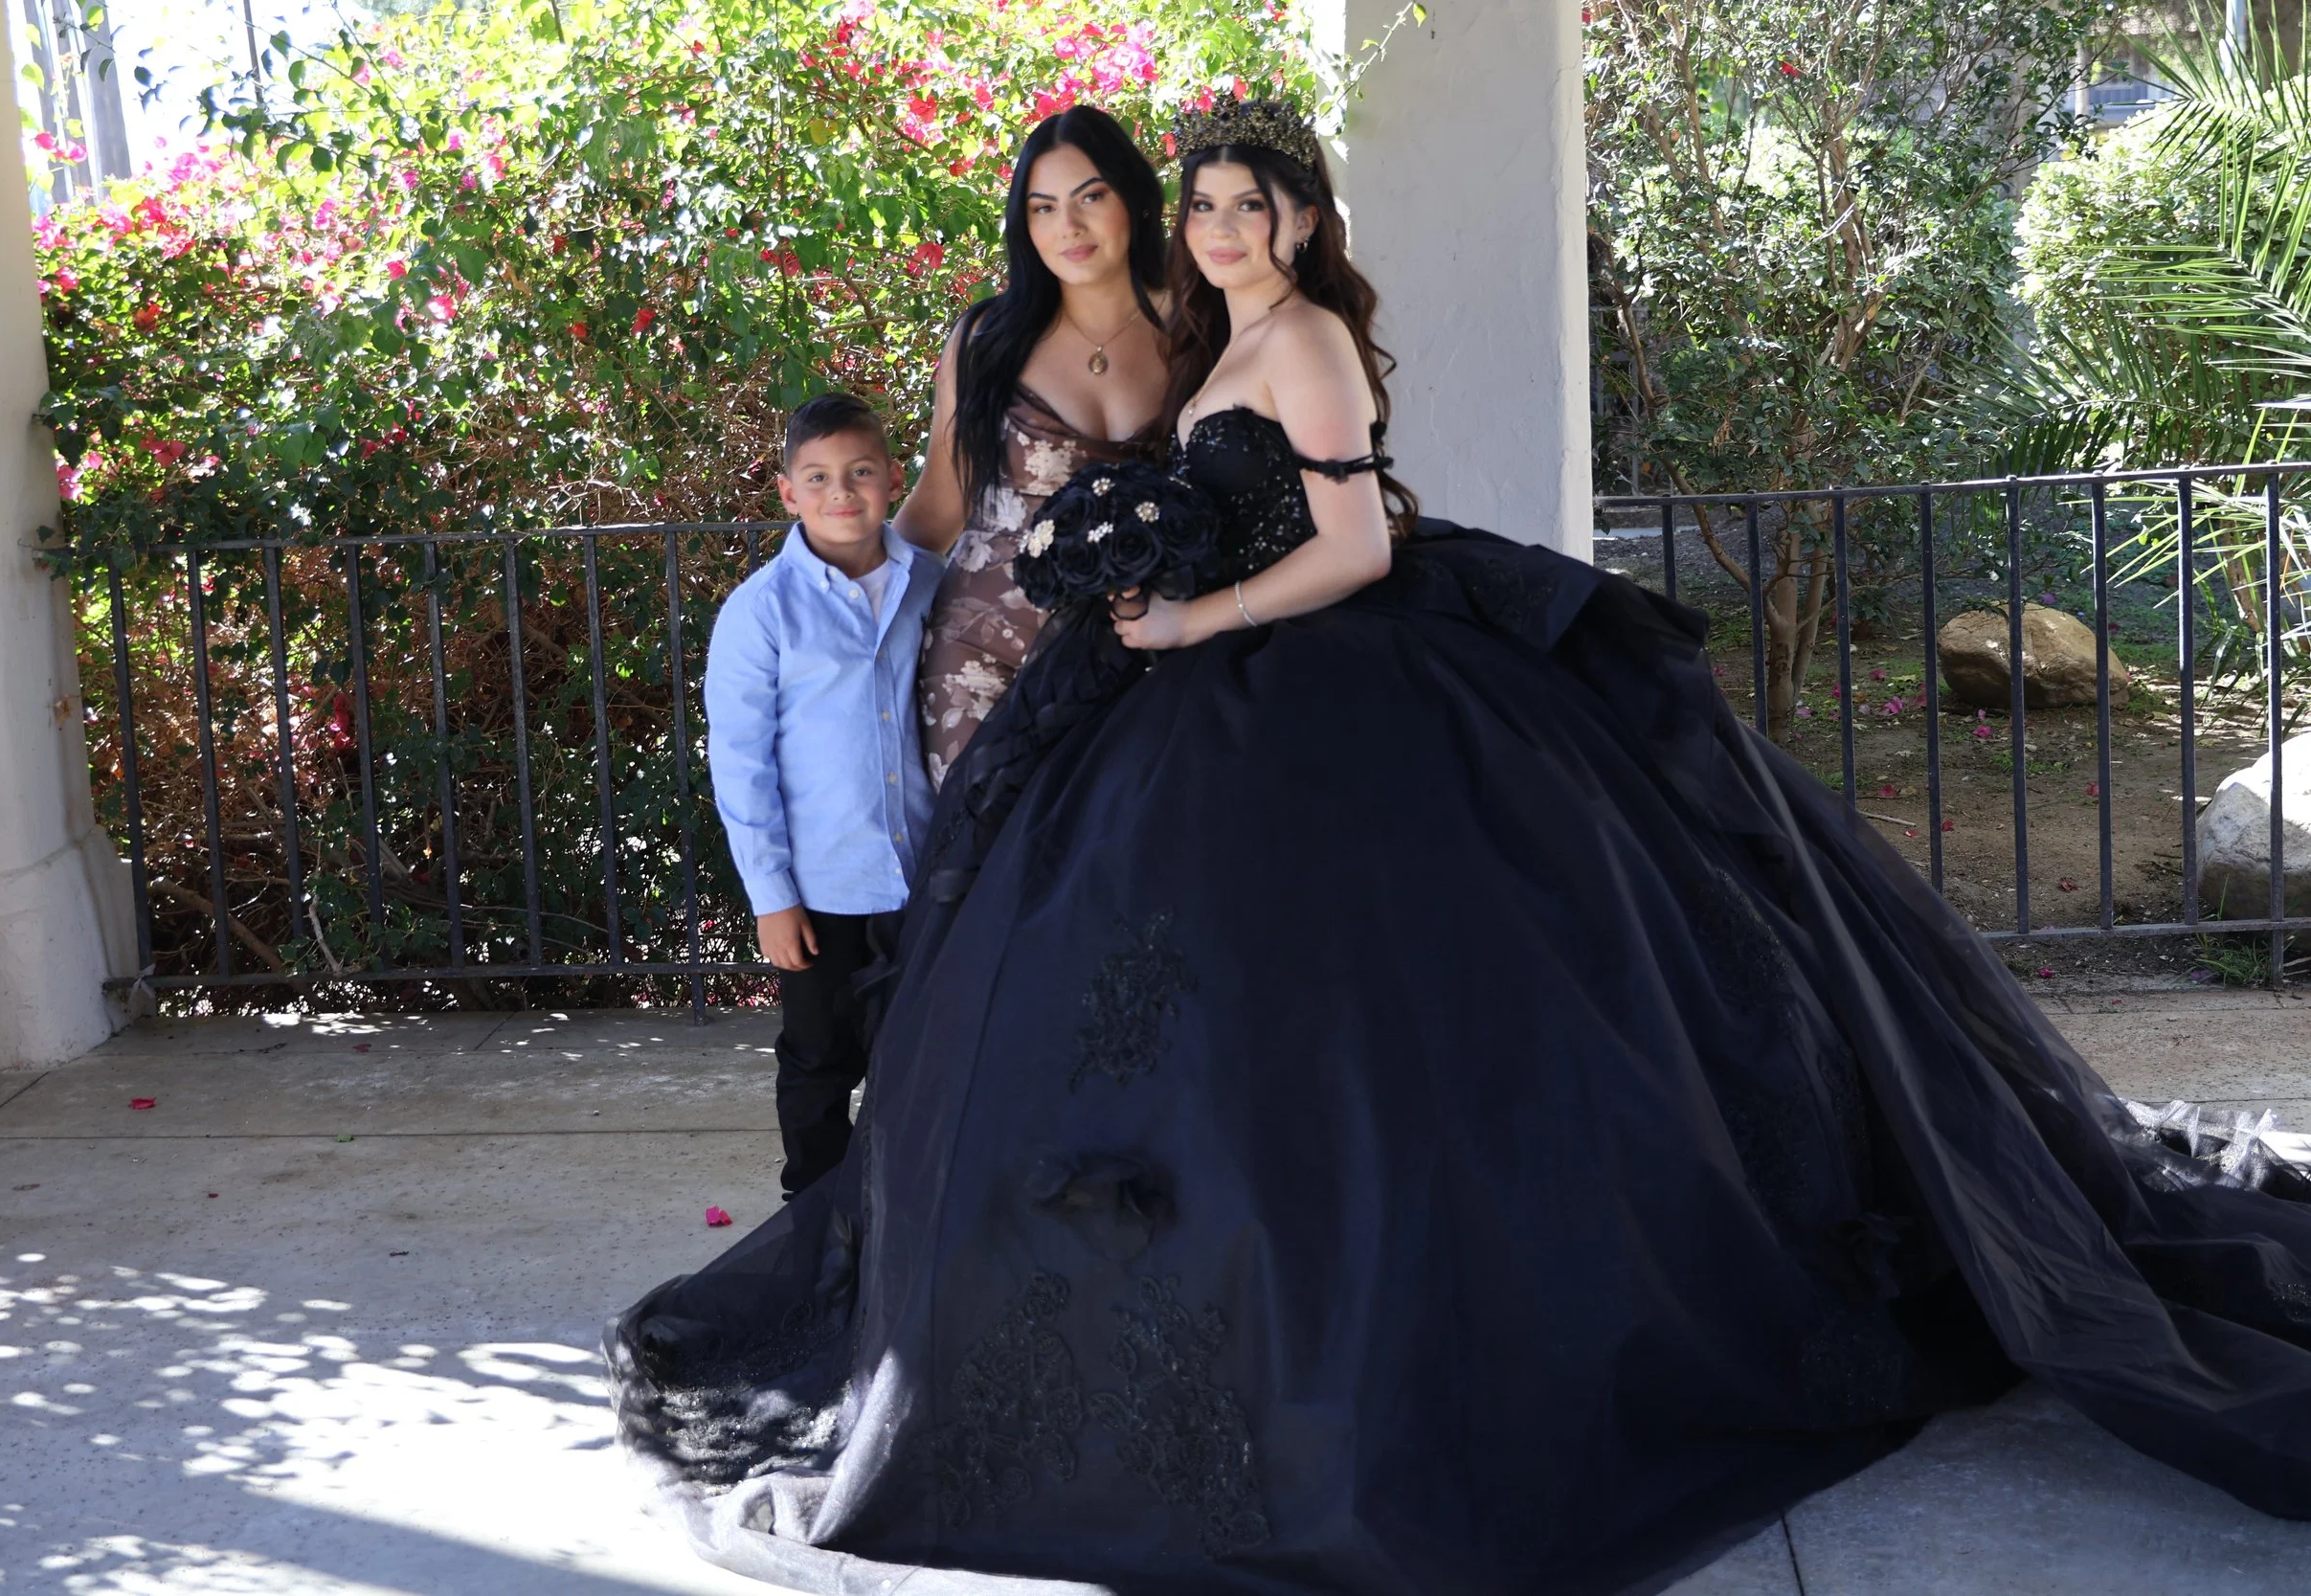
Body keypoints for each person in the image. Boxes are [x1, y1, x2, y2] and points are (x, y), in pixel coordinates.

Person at [617, 97, 2311, 1594]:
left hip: (1290, 664)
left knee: (1380, 1015)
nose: (1216, 227)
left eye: (1239, 204)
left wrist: (1194, 620)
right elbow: (990, 508)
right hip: (1167, 678)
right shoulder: (1198, 336)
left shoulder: (1298, 342)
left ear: (1293, 220)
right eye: (1202, 202)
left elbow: (1351, 540)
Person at [701, 392, 941, 1200]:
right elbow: (743, 764)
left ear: (892, 476)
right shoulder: (761, 611)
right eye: (820, 476)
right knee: (817, 1062)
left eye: (861, 472)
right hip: (824, 891)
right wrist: (772, 897)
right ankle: (815, 1221)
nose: (844, 492)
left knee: (921, 1058)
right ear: (788, 491)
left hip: (923, 879)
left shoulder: (927, 584)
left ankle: (902, 1216)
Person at [893, 105, 1170, 789]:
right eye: (1043, 208)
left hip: (1141, 662)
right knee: (989, 880)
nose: (1066, 228)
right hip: (981, 660)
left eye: (1090, 198)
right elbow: (937, 505)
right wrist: (823, 588)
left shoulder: (1199, 327)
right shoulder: (988, 339)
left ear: (1134, 197)